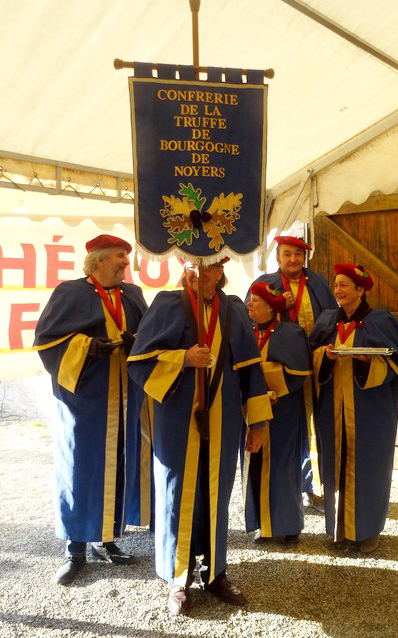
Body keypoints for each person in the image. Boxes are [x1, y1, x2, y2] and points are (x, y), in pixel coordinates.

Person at [128, 259, 273, 616]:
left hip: (224, 422)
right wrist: (182, 358)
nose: (204, 276)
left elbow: (250, 368)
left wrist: (258, 423)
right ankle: (177, 577)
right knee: (177, 491)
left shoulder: (234, 309)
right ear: (188, 271)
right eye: (197, 270)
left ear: (220, 273)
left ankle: (216, 572)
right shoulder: (166, 303)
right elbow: (139, 361)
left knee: (216, 493)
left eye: (211, 270)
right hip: (177, 419)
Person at [33, 234, 151, 585]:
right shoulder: (69, 293)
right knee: (80, 467)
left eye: (126, 260)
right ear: (97, 261)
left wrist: (137, 341)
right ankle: (76, 547)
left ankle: (109, 538)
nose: (125, 265)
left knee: (117, 465)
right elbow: (46, 339)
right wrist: (87, 347)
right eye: (119, 258)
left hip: (125, 396)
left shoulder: (132, 294)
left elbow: (150, 333)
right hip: (85, 400)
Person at [309, 263, 398, 553]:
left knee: (370, 466)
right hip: (333, 408)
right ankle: (338, 529)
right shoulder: (328, 320)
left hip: (369, 411)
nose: (338, 290)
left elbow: (397, 363)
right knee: (334, 464)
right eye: (336, 284)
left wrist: (370, 360)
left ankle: (367, 531)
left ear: (360, 290)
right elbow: (311, 355)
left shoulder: (381, 321)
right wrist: (324, 355)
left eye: (344, 285)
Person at [249, 235, 336, 510]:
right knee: (285, 429)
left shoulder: (319, 283)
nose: (293, 260)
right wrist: (278, 307)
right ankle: (285, 490)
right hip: (283, 372)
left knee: (317, 426)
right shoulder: (264, 284)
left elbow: (334, 317)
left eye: (298, 254)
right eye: (287, 254)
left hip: (319, 366)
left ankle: (317, 489)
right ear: (278, 257)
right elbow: (247, 316)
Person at [243, 282, 311, 544]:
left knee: (284, 466)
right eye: (250, 300)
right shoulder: (246, 333)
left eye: (255, 301)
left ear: (271, 308)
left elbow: (297, 374)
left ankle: (290, 526)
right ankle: (265, 525)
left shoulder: (290, 334)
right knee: (256, 466)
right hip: (253, 412)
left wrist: (269, 387)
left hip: (282, 411)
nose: (249, 304)